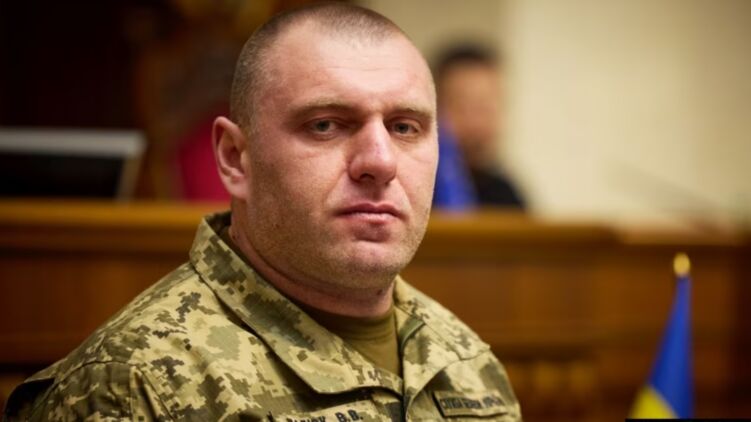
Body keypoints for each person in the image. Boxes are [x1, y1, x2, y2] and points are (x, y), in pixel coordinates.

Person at [3, 4, 521, 421]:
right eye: (325, 125)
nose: (380, 161)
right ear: (235, 158)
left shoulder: (467, 363)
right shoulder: (131, 388)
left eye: (405, 127)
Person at [434, 44, 526, 209]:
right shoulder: (415, 187)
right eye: (461, 107)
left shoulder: (505, 194)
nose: (475, 124)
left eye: (485, 108)